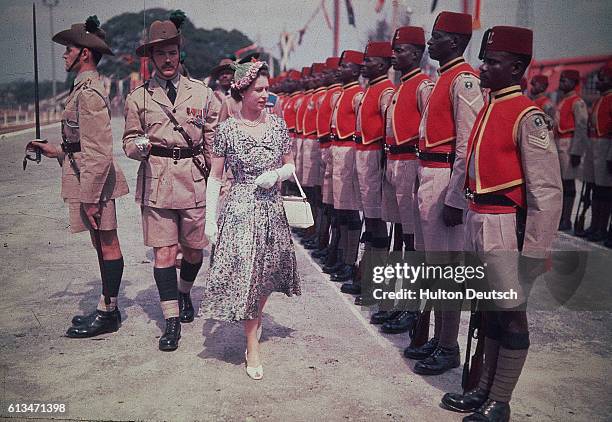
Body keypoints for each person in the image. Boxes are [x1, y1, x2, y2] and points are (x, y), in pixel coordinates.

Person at [440, 25, 562, 421]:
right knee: (489, 309)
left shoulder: (528, 116)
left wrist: (535, 252)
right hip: (480, 218)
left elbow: (546, 191)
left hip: (505, 224)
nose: (484, 67)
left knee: (510, 311)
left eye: (493, 61)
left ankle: (500, 400)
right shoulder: (489, 107)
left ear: (516, 69)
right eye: (485, 59)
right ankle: (483, 390)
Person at [27, 16, 129, 338]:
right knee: (100, 244)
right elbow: (79, 144)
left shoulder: (89, 92)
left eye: (68, 49)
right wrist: (54, 150)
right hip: (84, 175)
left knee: (107, 243)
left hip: (94, 181)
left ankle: (108, 312)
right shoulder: (83, 88)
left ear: (84, 53)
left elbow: (99, 150)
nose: (64, 55)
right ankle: (107, 307)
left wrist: (90, 198)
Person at [122, 17, 220, 351]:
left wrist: (219, 184)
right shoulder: (139, 98)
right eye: (161, 53)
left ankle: (183, 292)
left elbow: (212, 144)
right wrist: (139, 147)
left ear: (180, 53)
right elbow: (128, 142)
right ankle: (171, 320)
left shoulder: (203, 94)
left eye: (172, 52)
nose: (167, 59)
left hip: (193, 180)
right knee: (163, 252)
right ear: (151, 57)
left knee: (193, 250)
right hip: (157, 180)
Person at [199, 61, 301, 380]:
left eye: (266, 89)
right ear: (242, 91)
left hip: (271, 209)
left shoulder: (278, 125)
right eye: (258, 89)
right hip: (241, 208)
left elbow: (291, 168)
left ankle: (253, 325)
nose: (264, 94)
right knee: (247, 277)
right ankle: (251, 345)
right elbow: (215, 177)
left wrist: (276, 175)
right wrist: (209, 220)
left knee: (265, 277)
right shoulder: (227, 130)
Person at [405, 11, 484, 376]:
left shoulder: (464, 81)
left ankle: (449, 344)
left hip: (444, 178)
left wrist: (455, 198)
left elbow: (468, 145)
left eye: (436, 36)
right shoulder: (443, 77)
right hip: (428, 172)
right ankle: (439, 338)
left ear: (453, 42)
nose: (430, 42)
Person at [375, 26, 434, 334]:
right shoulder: (400, 87)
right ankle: (400, 301)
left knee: (412, 242)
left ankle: (411, 307)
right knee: (399, 235)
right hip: (395, 161)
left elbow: (427, 131)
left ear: (416, 53)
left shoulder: (424, 86)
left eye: (400, 51)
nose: (394, 56)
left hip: (411, 161)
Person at [326, 50, 364, 302]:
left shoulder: (358, 94)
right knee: (340, 209)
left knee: (351, 211)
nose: (340, 70)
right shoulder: (343, 93)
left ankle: (350, 260)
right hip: (337, 148)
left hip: (351, 149)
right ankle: (343, 256)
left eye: (345, 66)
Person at [311, 57, 343, 261]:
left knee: (339, 204)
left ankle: (339, 253)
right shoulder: (329, 94)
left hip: (340, 147)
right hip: (324, 144)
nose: (322, 77)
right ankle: (319, 236)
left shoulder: (337, 94)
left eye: (326, 73)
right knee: (322, 196)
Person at [554, 69, 588, 231]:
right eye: (560, 80)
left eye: (565, 80)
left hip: (568, 144)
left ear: (574, 83)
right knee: (560, 183)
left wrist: (576, 151)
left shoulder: (577, 102)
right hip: (559, 143)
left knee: (568, 184)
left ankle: (566, 218)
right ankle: (560, 217)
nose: (561, 83)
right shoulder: (562, 100)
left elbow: (581, 128)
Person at [584, 63, 612, 243]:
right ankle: (594, 225)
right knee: (594, 189)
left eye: (604, 77)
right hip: (595, 147)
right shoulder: (599, 99)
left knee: (605, 191)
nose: (599, 80)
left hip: (607, 147)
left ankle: (603, 228)